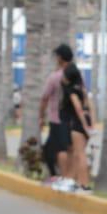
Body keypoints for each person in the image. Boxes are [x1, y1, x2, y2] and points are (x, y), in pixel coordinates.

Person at [38, 45, 75, 182]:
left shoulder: (55, 77)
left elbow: (44, 98)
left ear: (59, 57)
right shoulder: (76, 74)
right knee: (62, 148)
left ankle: (62, 178)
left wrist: (41, 117)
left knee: (60, 149)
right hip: (72, 119)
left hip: (57, 119)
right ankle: (65, 177)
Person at [60, 64, 94, 192]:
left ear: (68, 77)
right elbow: (89, 106)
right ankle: (78, 181)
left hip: (78, 123)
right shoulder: (82, 88)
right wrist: (91, 124)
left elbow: (78, 109)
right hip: (86, 120)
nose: (62, 77)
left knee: (80, 154)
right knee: (78, 153)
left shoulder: (71, 91)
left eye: (64, 74)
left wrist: (84, 126)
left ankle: (84, 185)